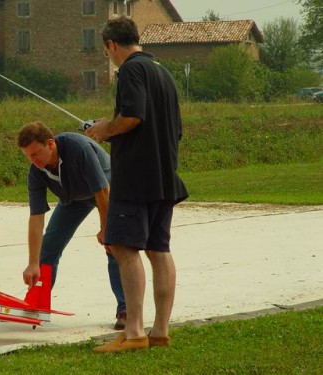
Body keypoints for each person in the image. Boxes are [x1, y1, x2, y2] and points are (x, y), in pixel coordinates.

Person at [85, 17, 189, 352]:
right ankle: (160, 331)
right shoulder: (164, 72)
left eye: (107, 51)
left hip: (135, 179)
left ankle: (134, 333)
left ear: (111, 45)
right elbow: (176, 129)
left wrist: (104, 129)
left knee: (125, 249)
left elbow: (132, 117)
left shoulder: (130, 71)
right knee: (160, 251)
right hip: (164, 176)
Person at [17, 121, 126, 329]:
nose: (33, 161)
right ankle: (37, 304)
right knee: (48, 250)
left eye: (36, 154)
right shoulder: (36, 171)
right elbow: (36, 217)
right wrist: (32, 263)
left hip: (110, 190)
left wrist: (106, 229)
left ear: (50, 144)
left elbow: (102, 190)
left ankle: (125, 309)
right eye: (28, 156)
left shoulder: (78, 148)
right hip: (75, 199)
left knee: (113, 245)